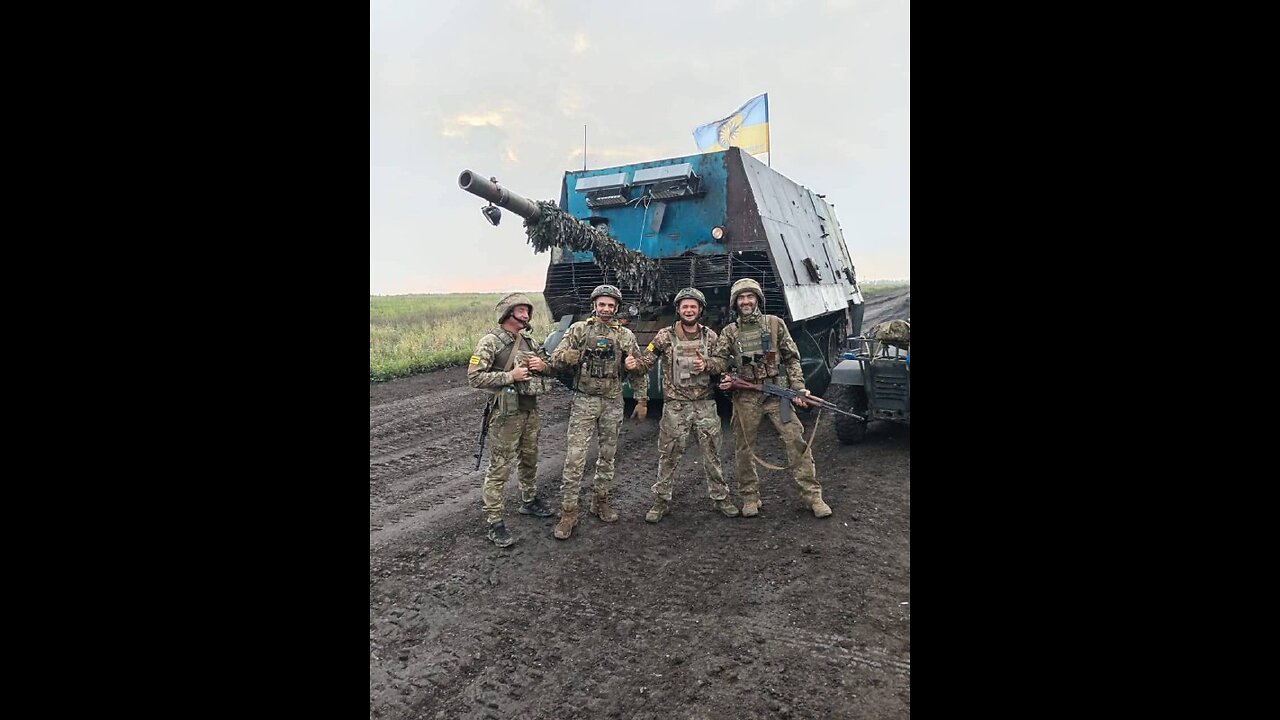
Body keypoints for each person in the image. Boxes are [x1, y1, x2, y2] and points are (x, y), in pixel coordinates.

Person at [706, 278, 833, 519]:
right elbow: (720, 361)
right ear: (735, 303)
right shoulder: (730, 332)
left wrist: (798, 388)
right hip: (745, 396)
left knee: (795, 440)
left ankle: (813, 496)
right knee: (744, 448)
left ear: (757, 300)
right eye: (741, 298)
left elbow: (791, 358)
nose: (745, 301)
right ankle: (750, 497)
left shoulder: (775, 325)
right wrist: (713, 369)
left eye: (750, 297)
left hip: (776, 393)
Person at [547, 284, 649, 540]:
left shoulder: (625, 335)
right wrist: (568, 357)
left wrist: (641, 400)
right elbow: (555, 359)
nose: (606, 309)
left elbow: (638, 369)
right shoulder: (579, 330)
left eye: (610, 305)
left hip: (613, 401)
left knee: (607, 455)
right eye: (602, 304)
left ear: (616, 308)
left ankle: (600, 501)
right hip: (585, 400)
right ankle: (568, 512)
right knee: (575, 458)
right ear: (595, 305)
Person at [633, 287, 738, 522]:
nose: (689, 310)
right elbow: (645, 364)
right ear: (678, 309)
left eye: (693, 306)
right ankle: (661, 501)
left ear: (700, 309)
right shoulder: (663, 336)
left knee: (713, 454)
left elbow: (722, 364)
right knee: (668, 455)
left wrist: (708, 365)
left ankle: (721, 498)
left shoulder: (710, 336)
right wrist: (632, 363)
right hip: (675, 408)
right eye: (685, 306)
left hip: (705, 405)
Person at [466, 292, 556, 547]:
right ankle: (494, 521)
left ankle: (529, 501)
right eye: (521, 310)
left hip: (529, 411)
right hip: (506, 415)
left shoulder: (528, 340)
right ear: (507, 313)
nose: (526, 314)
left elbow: (547, 366)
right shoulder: (490, 342)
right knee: (501, 467)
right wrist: (510, 376)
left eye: (528, 310)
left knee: (529, 458)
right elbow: (474, 378)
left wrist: (542, 365)